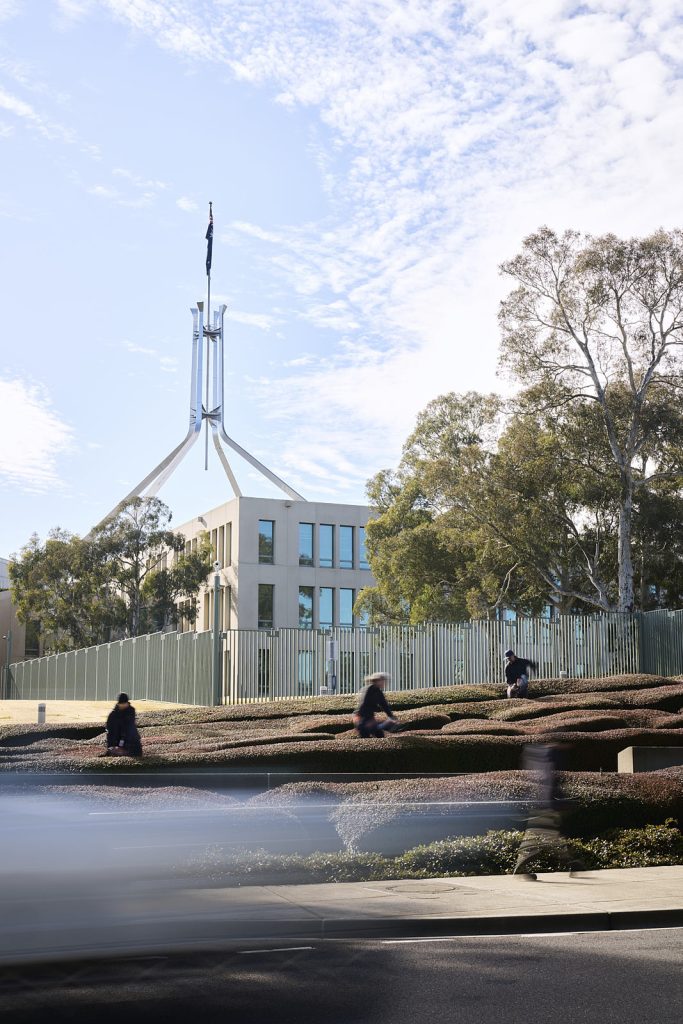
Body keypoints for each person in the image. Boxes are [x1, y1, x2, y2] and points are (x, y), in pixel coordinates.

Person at [513, 741, 585, 880]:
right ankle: (571, 863)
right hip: (545, 805)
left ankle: (572, 863)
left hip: (542, 804)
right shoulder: (548, 761)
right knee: (543, 836)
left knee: (548, 836)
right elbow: (550, 784)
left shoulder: (539, 761)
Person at [353, 672, 400, 737]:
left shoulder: (378, 691)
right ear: (378, 681)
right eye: (384, 681)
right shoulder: (369, 689)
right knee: (366, 739)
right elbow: (363, 705)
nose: (385, 683)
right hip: (361, 718)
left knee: (380, 735)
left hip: (369, 718)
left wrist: (392, 717)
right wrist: (367, 720)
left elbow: (384, 705)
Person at [104, 692, 142, 756]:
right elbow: (110, 731)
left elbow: (129, 728)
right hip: (117, 741)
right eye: (122, 704)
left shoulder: (130, 711)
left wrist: (122, 743)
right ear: (119, 704)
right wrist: (112, 745)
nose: (124, 705)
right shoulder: (113, 715)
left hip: (131, 742)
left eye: (125, 703)